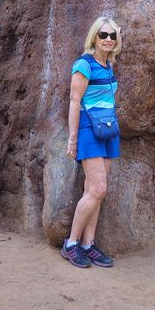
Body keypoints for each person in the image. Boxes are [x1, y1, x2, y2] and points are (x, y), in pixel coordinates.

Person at [61, 16, 122, 268]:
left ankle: (88, 244)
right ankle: (71, 244)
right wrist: (73, 139)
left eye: (113, 36)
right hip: (89, 129)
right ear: (94, 37)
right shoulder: (84, 64)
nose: (108, 39)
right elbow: (75, 102)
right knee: (98, 189)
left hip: (108, 129)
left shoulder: (108, 65)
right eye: (103, 35)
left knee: (95, 191)